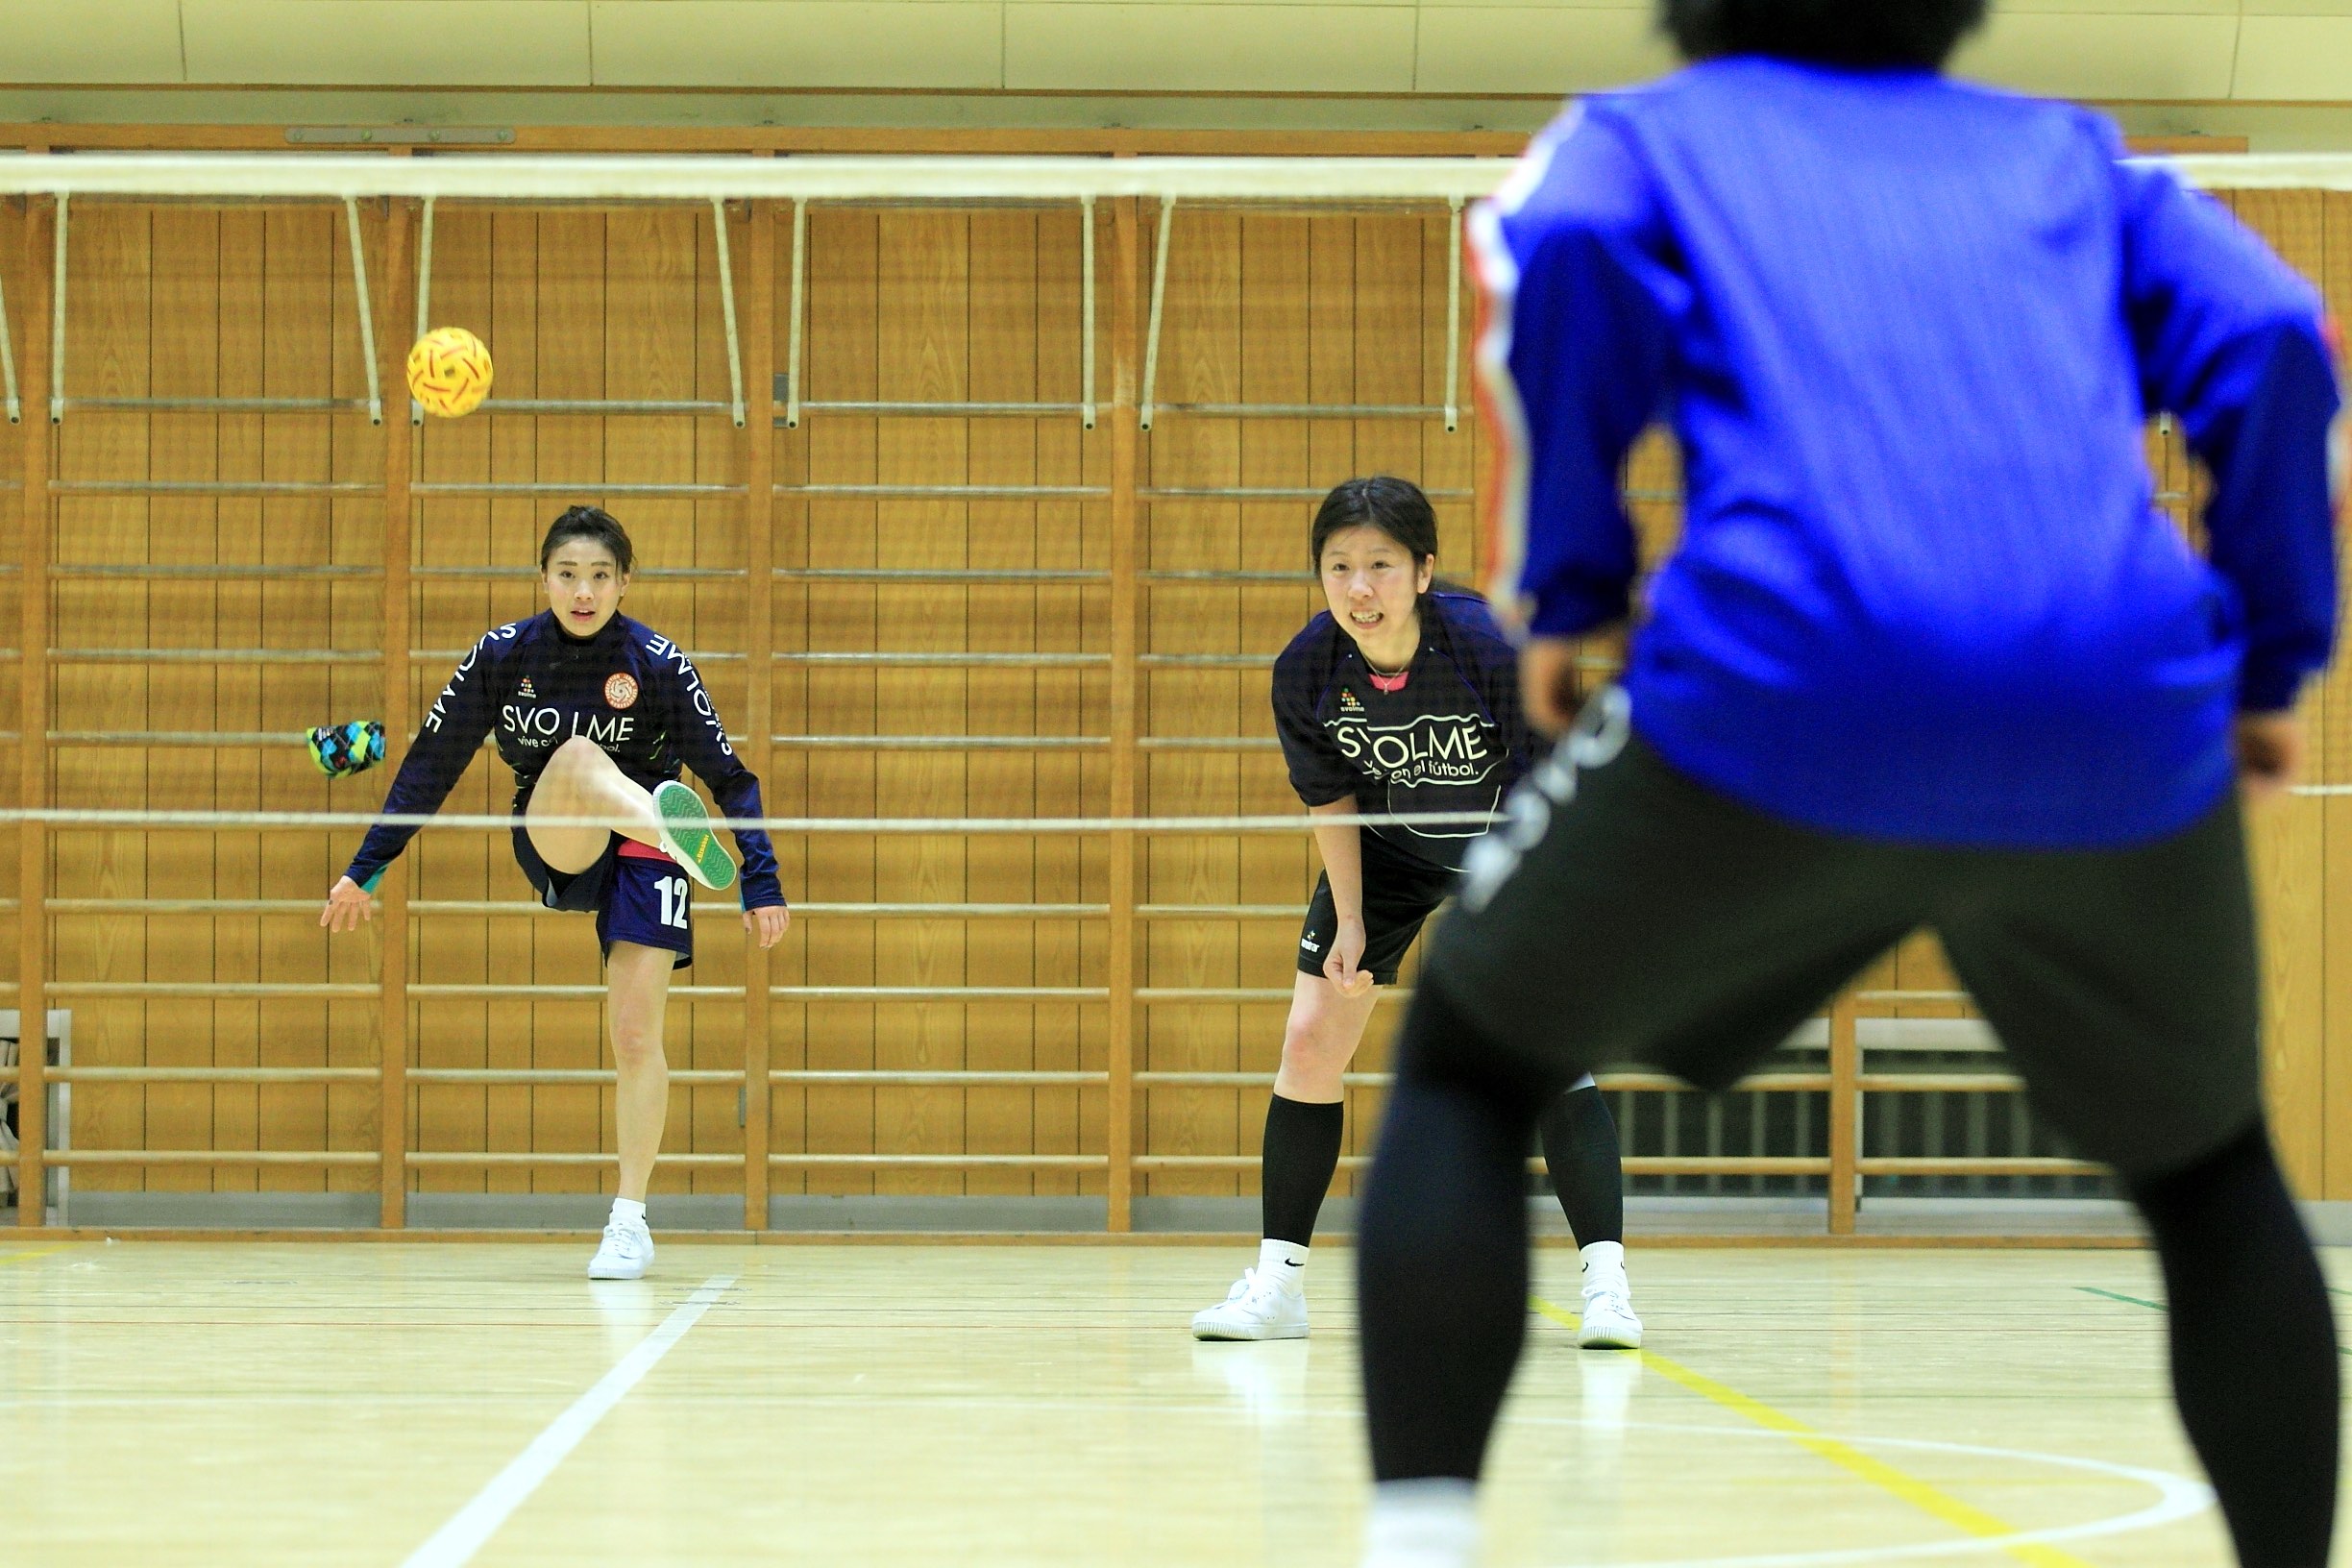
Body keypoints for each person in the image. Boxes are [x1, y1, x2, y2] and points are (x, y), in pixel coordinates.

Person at [1352, 3, 2345, 1565]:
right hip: (2116, 715)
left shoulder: (1637, 142)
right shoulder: (2078, 164)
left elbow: (1555, 269)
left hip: (1784, 681)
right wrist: (2274, 656)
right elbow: (2282, 340)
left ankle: (1417, 1541)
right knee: (2212, 1171)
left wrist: (1570, 587)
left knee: (1471, 1068)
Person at [1191, 477, 1639, 1349]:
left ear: (1424, 571)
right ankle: (1279, 1285)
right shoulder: (1305, 672)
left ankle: (1606, 1286)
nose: (1360, 588)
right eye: (1340, 567)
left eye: (1382, 566)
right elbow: (1332, 803)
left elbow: (1559, 778)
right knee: (1311, 1038)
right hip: (1388, 852)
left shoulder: (1487, 648)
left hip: (1513, 842)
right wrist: (1350, 920)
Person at [321, 505, 791, 1280]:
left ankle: (629, 1222)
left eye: (600, 577)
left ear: (625, 583)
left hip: (645, 852)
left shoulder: (659, 662)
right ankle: (670, 826)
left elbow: (731, 776)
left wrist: (761, 884)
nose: (583, 591)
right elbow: (430, 765)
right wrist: (365, 867)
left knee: (636, 1038)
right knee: (575, 755)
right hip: (559, 835)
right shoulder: (504, 656)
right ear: (543, 578)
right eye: (568, 575)